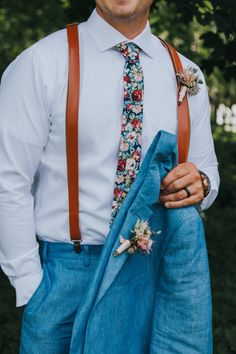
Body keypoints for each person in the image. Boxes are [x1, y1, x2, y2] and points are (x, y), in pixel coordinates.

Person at [0, 0, 220, 352]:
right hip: (69, 272)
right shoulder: (41, 63)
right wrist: (31, 285)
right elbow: (7, 179)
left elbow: (206, 172)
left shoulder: (185, 73)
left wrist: (202, 184)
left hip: (155, 274)